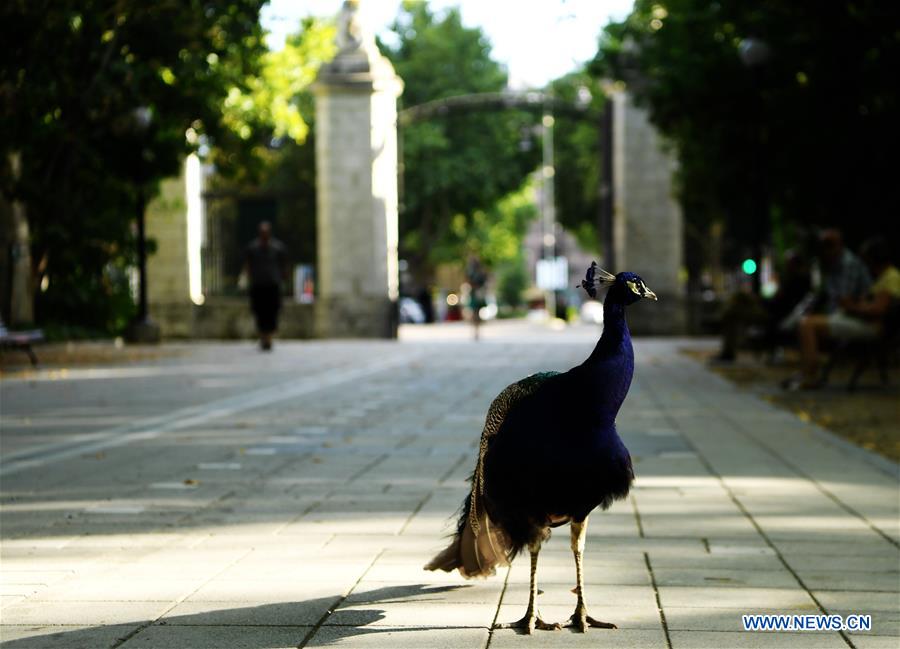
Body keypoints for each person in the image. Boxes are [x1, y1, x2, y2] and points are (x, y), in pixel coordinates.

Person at [788, 234, 895, 390]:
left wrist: (853, 307)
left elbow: (878, 309)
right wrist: (857, 305)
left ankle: (810, 375)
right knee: (806, 322)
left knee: (807, 325)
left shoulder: (891, 277)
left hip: (872, 326)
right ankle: (806, 372)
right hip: (862, 321)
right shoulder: (883, 277)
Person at [714, 250, 811, 362]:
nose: (786, 266)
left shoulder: (797, 281)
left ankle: (727, 349)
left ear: (795, 264)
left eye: (788, 263)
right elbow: (778, 300)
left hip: (771, 314)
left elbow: (780, 304)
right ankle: (723, 316)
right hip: (771, 309)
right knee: (738, 298)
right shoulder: (794, 280)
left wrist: (761, 300)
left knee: (733, 310)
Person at [244, 221, 287, 351]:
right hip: (258, 285)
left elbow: (283, 265)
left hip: (272, 285)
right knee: (260, 312)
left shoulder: (278, 248)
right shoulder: (252, 248)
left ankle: (268, 337)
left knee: (272, 312)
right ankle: (263, 336)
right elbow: (248, 265)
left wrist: (282, 279)